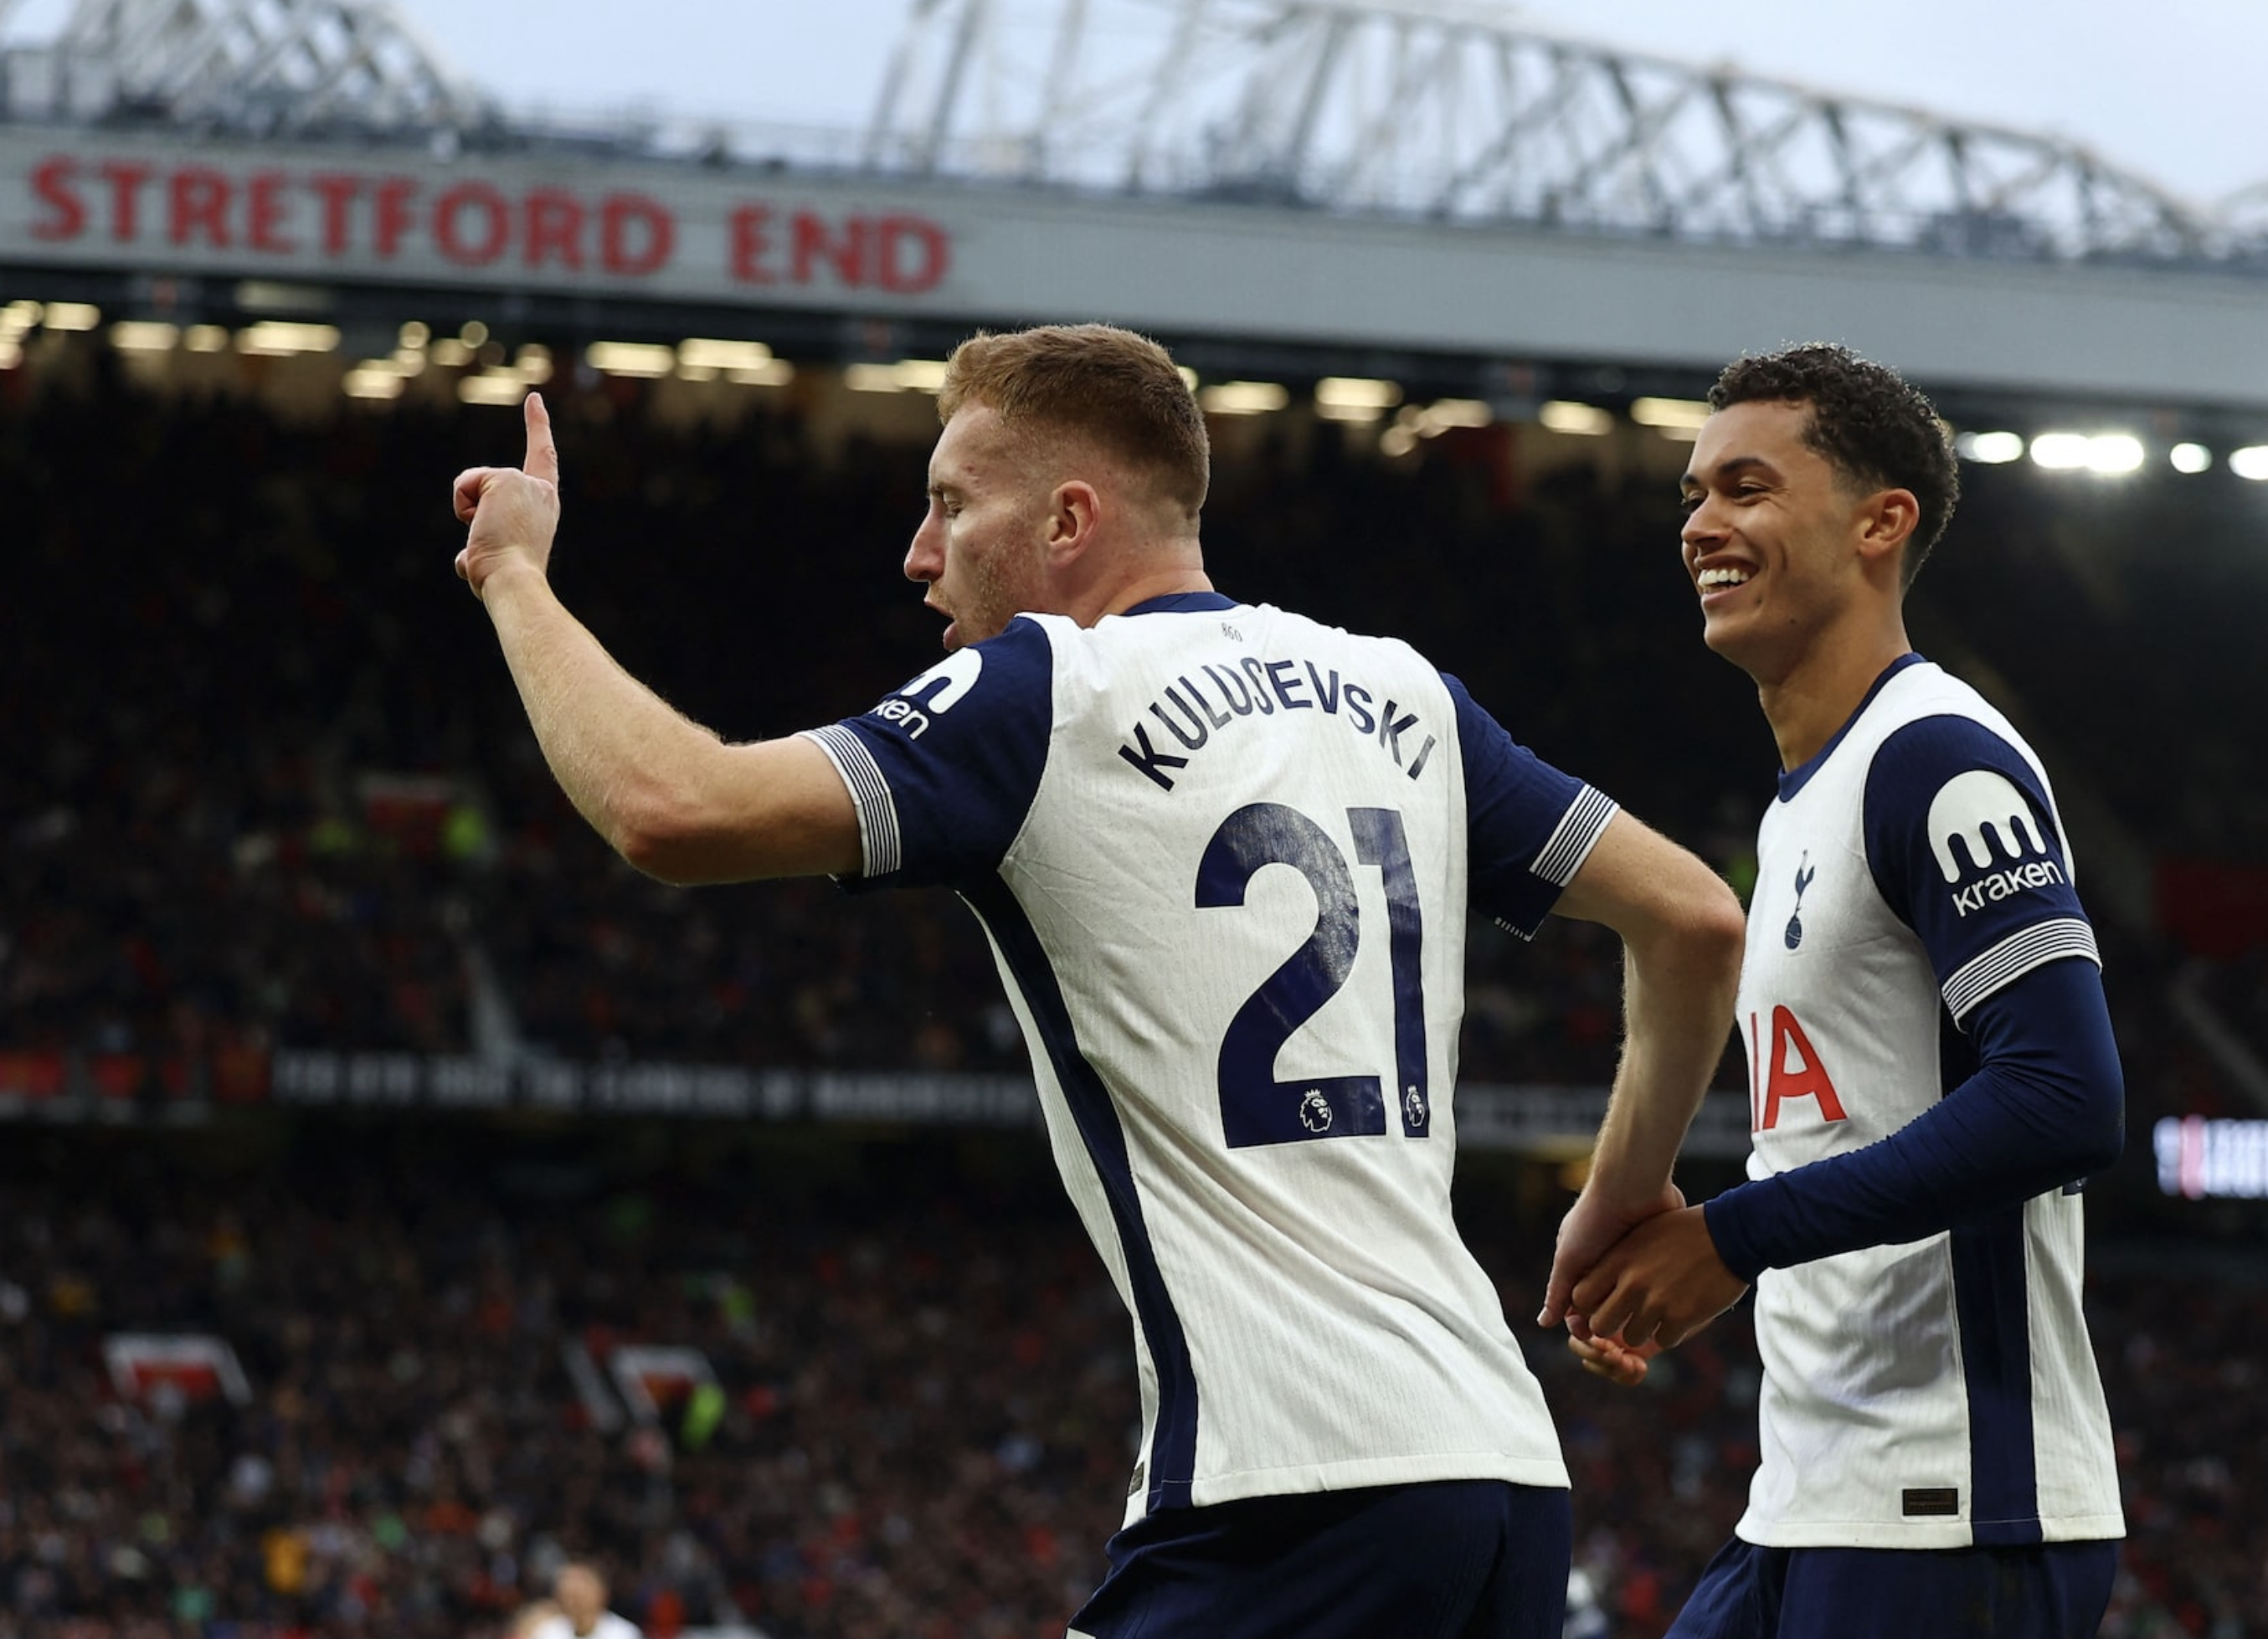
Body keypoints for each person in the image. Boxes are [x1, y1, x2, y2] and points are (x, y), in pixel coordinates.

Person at [448, 323, 1746, 1637]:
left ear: (1070, 518)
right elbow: (1695, 918)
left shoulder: (1047, 692)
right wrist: (1624, 1191)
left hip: (1288, 1489)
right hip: (1505, 1473)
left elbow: (672, 808)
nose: (917, 551)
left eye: (952, 505)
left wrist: (513, 575)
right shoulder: (1401, 688)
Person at [1538, 343, 2128, 1638]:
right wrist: (1688, 1245)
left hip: (1955, 1512)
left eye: (1746, 487)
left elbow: (2064, 1097)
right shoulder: (1810, 797)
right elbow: (1854, 1132)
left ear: (1880, 521)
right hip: (1816, 1500)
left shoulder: (1942, 762)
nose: (1700, 523)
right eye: (1691, 493)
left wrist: (1732, 1238)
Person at [524, 1563, 641, 1639]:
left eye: (579, 1596)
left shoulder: (623, 1634)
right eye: (567, 1596)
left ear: (601, 1594)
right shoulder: (548, 1632)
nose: (574, 1603)